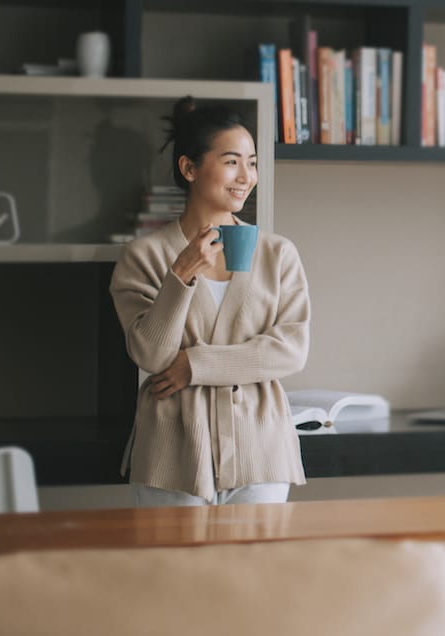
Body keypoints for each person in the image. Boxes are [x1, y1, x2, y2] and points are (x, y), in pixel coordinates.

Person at [110, 96, 310, 506]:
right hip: (173, 451)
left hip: (260, 449)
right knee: (177, 571)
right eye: (232, 161)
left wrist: (196, 365)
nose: (246, 176)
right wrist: (180, 275)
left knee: (253, 571)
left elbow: (290, 350)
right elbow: (149, 353)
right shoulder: (143, 256)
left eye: (252, 162)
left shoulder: (277, 254)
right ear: (189, 168)